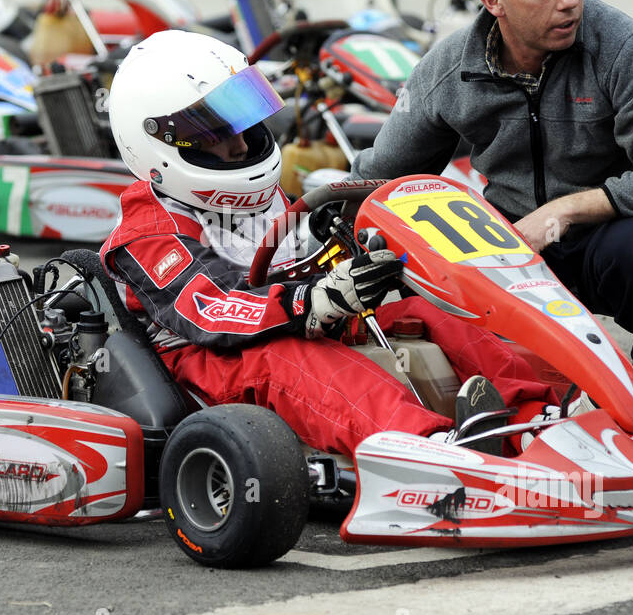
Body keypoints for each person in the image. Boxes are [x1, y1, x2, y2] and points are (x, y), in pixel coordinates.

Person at [99, 29, 554, 457]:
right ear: (158, 141)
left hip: (294, 321)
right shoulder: (149, 232)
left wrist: (358, 258)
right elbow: (213, 309)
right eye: (214, 133)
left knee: (427, 311)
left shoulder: (260, 197)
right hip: (208, 359)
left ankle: (537, 421)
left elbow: (301, 260)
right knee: (293, 362)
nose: (241, 145)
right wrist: (310, 301)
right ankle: (429, 448)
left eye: (244, 122)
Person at [354, 0, 633, 359]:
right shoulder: (448, 71)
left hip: (611, 236)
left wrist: (563, 212)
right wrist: (290, 223)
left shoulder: (630, 50)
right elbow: (380, 177)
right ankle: (476, 391)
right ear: (493, 1)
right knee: (422, 261)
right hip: (506, 243)